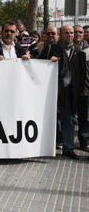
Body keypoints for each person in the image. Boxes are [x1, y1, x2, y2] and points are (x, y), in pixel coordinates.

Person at [39, 25, 86, 160]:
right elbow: (38, 66)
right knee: (48, 118)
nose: (70, 35)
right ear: (60, 34)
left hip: (70, 92)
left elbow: (81, 75)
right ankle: (45, 146)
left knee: (68, 120)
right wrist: (49, 62)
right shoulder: (50, 49)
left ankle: (68, 147)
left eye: (72, 33)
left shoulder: (79, 53)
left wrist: (79, 92)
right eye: (67, 33)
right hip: (52, 90)